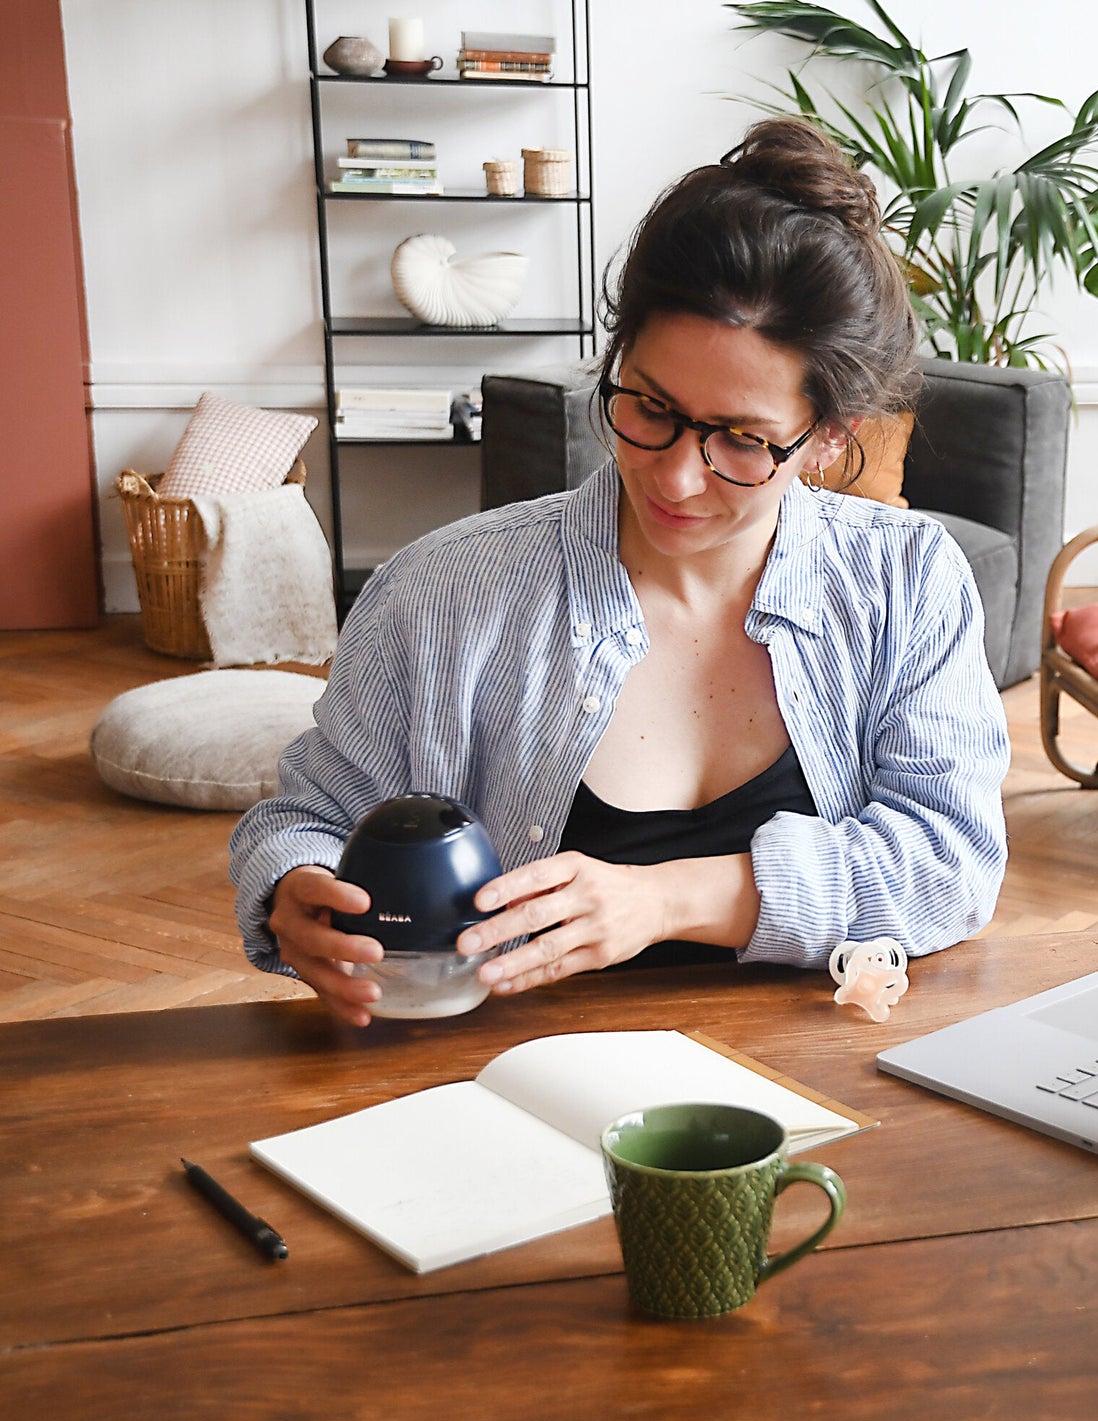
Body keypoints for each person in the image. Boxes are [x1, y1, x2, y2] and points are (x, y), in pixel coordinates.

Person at [230, 117, 1010, 1026]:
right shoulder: (441, 593)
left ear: (828, 439)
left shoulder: (905, 582)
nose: (676, 475)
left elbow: (950, 861)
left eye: (744, 439)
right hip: (507, 1084)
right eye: (649, 407)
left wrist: (663, 900)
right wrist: (295, 892)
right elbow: (308, 818)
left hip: (821, 1079)